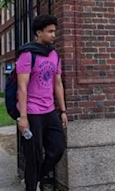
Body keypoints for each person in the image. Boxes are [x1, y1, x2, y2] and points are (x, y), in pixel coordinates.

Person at [16, 14, 67, 191]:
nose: (54, 35)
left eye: (55, 31)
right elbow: (21, 88)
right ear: (39, 33)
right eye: (50, 31)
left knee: (58, 148)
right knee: (34, 154)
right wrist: (23, 117)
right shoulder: (27, 55)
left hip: (49, 110)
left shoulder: (54, 54)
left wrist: (63, 110)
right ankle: (31, 185)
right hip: (31, 110)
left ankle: (35, 178)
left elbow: (57, 83)